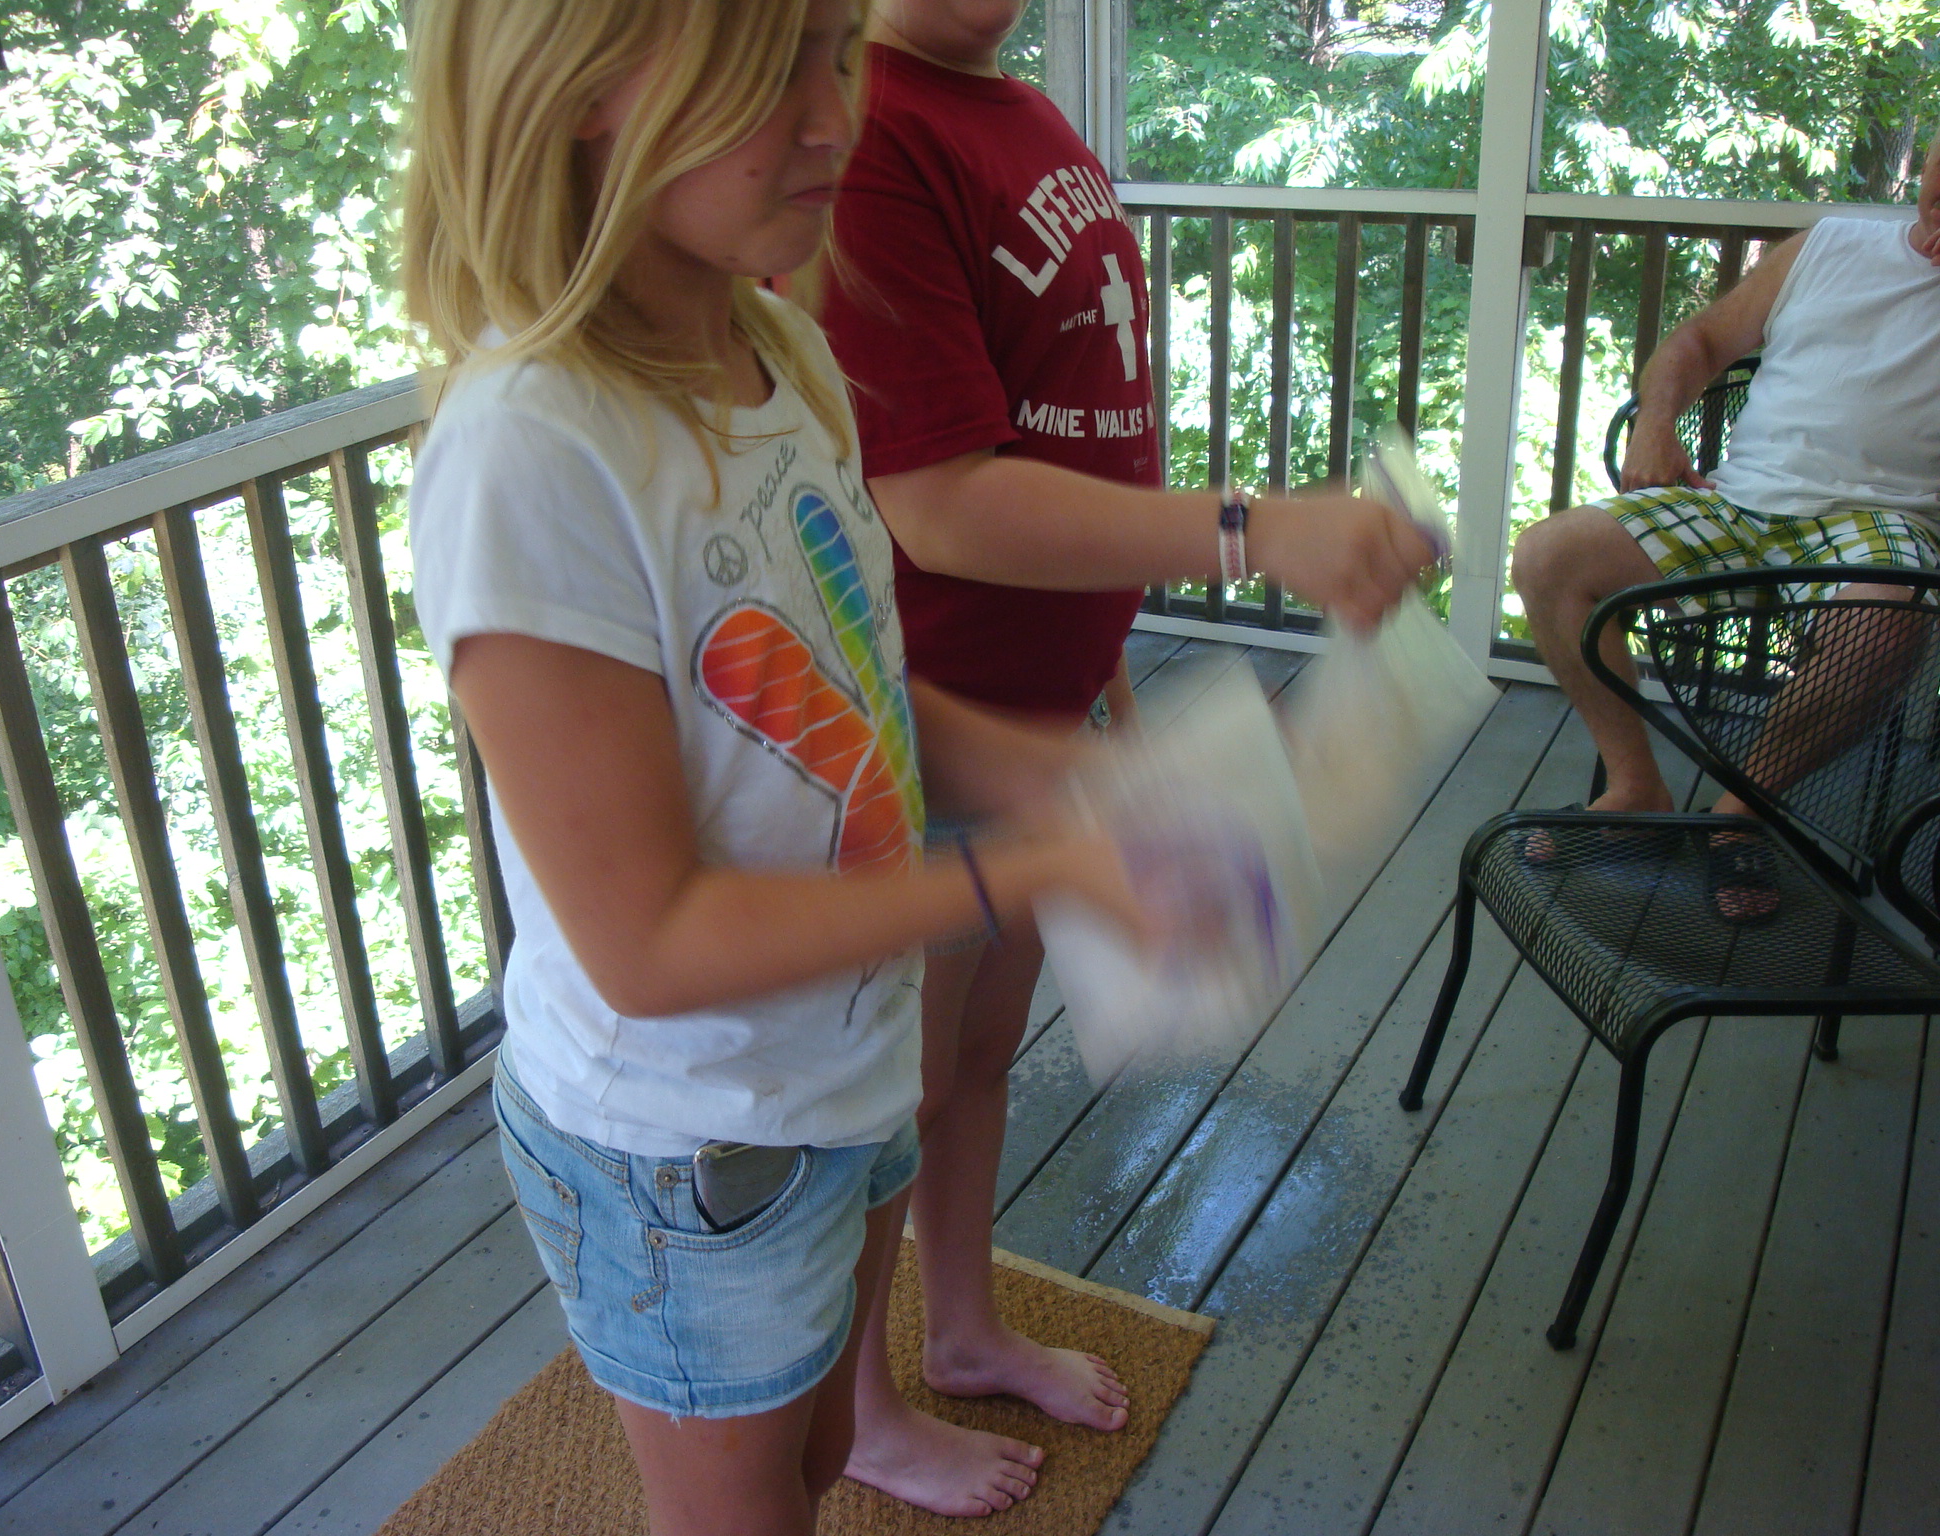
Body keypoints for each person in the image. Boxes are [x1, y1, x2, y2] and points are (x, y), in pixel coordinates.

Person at [399, 2, 1153, 1530]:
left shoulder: (779, 351)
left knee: (815, 1459)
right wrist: (1019, 866)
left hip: (842, 1071)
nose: (835, 117)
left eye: (832, 47)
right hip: (686, 1150)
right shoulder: (534, 452)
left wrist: (1048, 775)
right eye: (767, 71)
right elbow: (651, 939)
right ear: (584, 84)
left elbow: (861, 694)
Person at [814, 0, 1439, 1515]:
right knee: (882, 1103)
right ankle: (863, 1411)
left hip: (1044, 713)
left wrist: (1103, 682)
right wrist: (1251, 528)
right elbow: (942, 500)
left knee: (973, 1065)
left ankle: (959, 1330)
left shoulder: (1012, 114)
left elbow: (1070, 421)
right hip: (933, 723)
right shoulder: (865, 124)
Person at [1512, 132, 1940, 922]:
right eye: (1937, 205)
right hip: (1738, 499)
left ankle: (1741, 811)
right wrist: (1654, 423)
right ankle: (1635, 786)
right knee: (1547, 556)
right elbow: (1700, 340)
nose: (1938, 236)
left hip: (1884, 521)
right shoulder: (1833, 245)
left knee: (1885, 622)